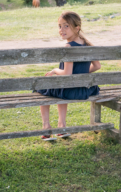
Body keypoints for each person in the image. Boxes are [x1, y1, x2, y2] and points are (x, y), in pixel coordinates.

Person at [38, 11, 101, 141]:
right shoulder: (87, 44)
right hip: (83, 90)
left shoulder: (69, 47)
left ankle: (46, 127)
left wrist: (55, 70)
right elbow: (97, 66)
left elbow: (67, 73)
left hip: (71, 91)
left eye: (66, 26)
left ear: (77, 28)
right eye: (60, 26)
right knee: (61, 88)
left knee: (41, 87)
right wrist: (80, 75)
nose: (62, 30)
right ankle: (61, 126)